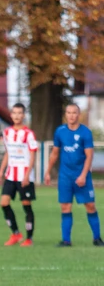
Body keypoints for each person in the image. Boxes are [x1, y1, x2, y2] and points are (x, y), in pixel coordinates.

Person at [45, 103, 104, 247]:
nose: (71, 115)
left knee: (90, 205)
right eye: (69, 112)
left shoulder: (85, 133)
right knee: (65, 206)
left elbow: (89, 156)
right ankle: (66, 240)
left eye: (74, 113)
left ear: (78, 115)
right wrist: (47, 171)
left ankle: (97, 238)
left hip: (82, 176)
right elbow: (55, 153)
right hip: (65, 176)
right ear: (66, 115)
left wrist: (83, 175)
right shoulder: (60, 131)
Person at [0, 103, 38, 246]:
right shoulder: (7, 132)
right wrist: (1, 172)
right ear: (11, 115)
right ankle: (16, 234)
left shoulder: (28, 134)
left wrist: (27, 175)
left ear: (24, 115)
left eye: (20, 113)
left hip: (24, 176)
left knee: (26, 206)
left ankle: (29, 238)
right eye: (14, 113)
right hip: (10, 175)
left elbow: (32, 155)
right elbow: (8, 153)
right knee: (4, 203)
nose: (17, 115)